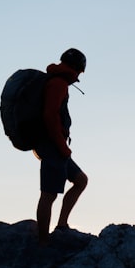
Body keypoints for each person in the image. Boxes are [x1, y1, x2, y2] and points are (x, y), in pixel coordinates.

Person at [35, 48, 88, 247]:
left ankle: (62, 225)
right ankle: (43, 242)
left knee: (81, 180)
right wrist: (61, 146)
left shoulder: (57, 80)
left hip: (56, 147)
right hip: (52, 146)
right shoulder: (58, 84)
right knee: (48, 195)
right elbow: (50, 117)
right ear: (77, 68)